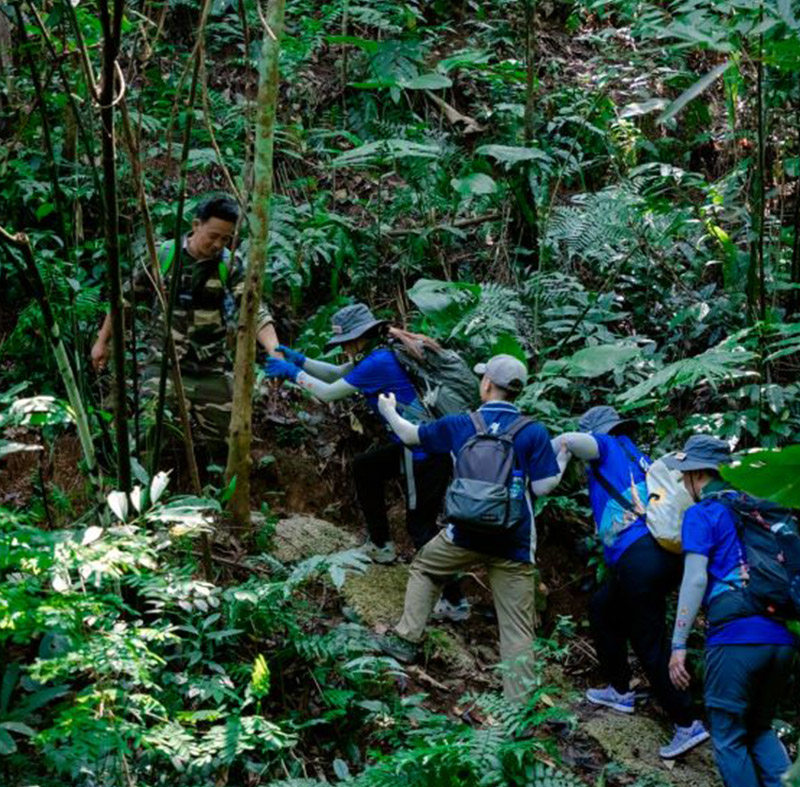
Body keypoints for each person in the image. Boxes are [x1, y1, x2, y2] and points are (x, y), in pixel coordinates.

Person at [376, 354, 562, 703]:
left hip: (463, 534)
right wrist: (562, 456)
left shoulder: (460, 424)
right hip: (514, 542)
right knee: (517, 627)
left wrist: (388, 410)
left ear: (487, 384)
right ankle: (518, 712)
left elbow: (409, 435)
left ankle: (406, 639)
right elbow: (542, 487)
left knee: (426, 568)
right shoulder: (533, 431)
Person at [264, 303, 468, 620]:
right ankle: (381, 545)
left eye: (346, 342)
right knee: (366, 467)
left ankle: (455, 603)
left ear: (361, 337)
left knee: (421, 527)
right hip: (416, 444)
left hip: (424, 454)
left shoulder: (380, 361)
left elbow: (330, 392)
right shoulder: (378, 354)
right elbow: (336, 374)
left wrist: (293, 374)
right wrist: (301, 361)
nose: (344, 349)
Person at [551, 407, 708, 759]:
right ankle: (619, 690)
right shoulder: (637, 456)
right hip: (657, 554)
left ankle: (687, 722)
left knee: (648, 639)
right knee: (603, 606)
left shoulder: (608, 445)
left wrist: (552, 449)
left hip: (639, 555)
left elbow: (573, 441)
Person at [91, 195, 279, 454]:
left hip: (210, 368)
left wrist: (274, 350)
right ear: (195, 225)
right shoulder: (164, 258)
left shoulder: (230, 264)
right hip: (164, 366)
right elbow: (124, 301)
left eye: (226, 239)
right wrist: (102, 342)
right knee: (146, 438)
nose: (218, 244)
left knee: (232, 446)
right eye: (213, 235)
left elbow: (253, 310)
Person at [666, 434, 798, 787]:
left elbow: (694, 579)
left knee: (726, 734)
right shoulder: (762, 507)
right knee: (758, 727)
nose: (682, 483)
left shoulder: (702, 513)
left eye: (684, 475)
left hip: (736, 636)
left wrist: (678, 644)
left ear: (696, 474)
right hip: (782, 638)